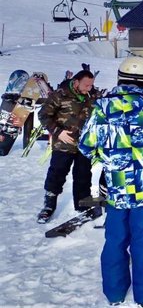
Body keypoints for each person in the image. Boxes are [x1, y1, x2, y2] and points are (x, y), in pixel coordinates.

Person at [79, 56, 143, 307]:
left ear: (120, 77)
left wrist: (108, 158)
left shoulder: (101, 107)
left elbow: (85, 146)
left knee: (115, 238)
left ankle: (115, 292)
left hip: (115, 187)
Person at [37, 69, 96, 223]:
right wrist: (57, 131)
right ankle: (49, 205)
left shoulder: (92, 96)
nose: (89, 88)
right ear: (76, 82)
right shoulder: (60, 94)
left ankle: (83, 205)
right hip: (63, 144)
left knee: (83, 175)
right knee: (57, 173)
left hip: (84, 144)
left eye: (91, 85)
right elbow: (43, 115)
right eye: (86, 85)